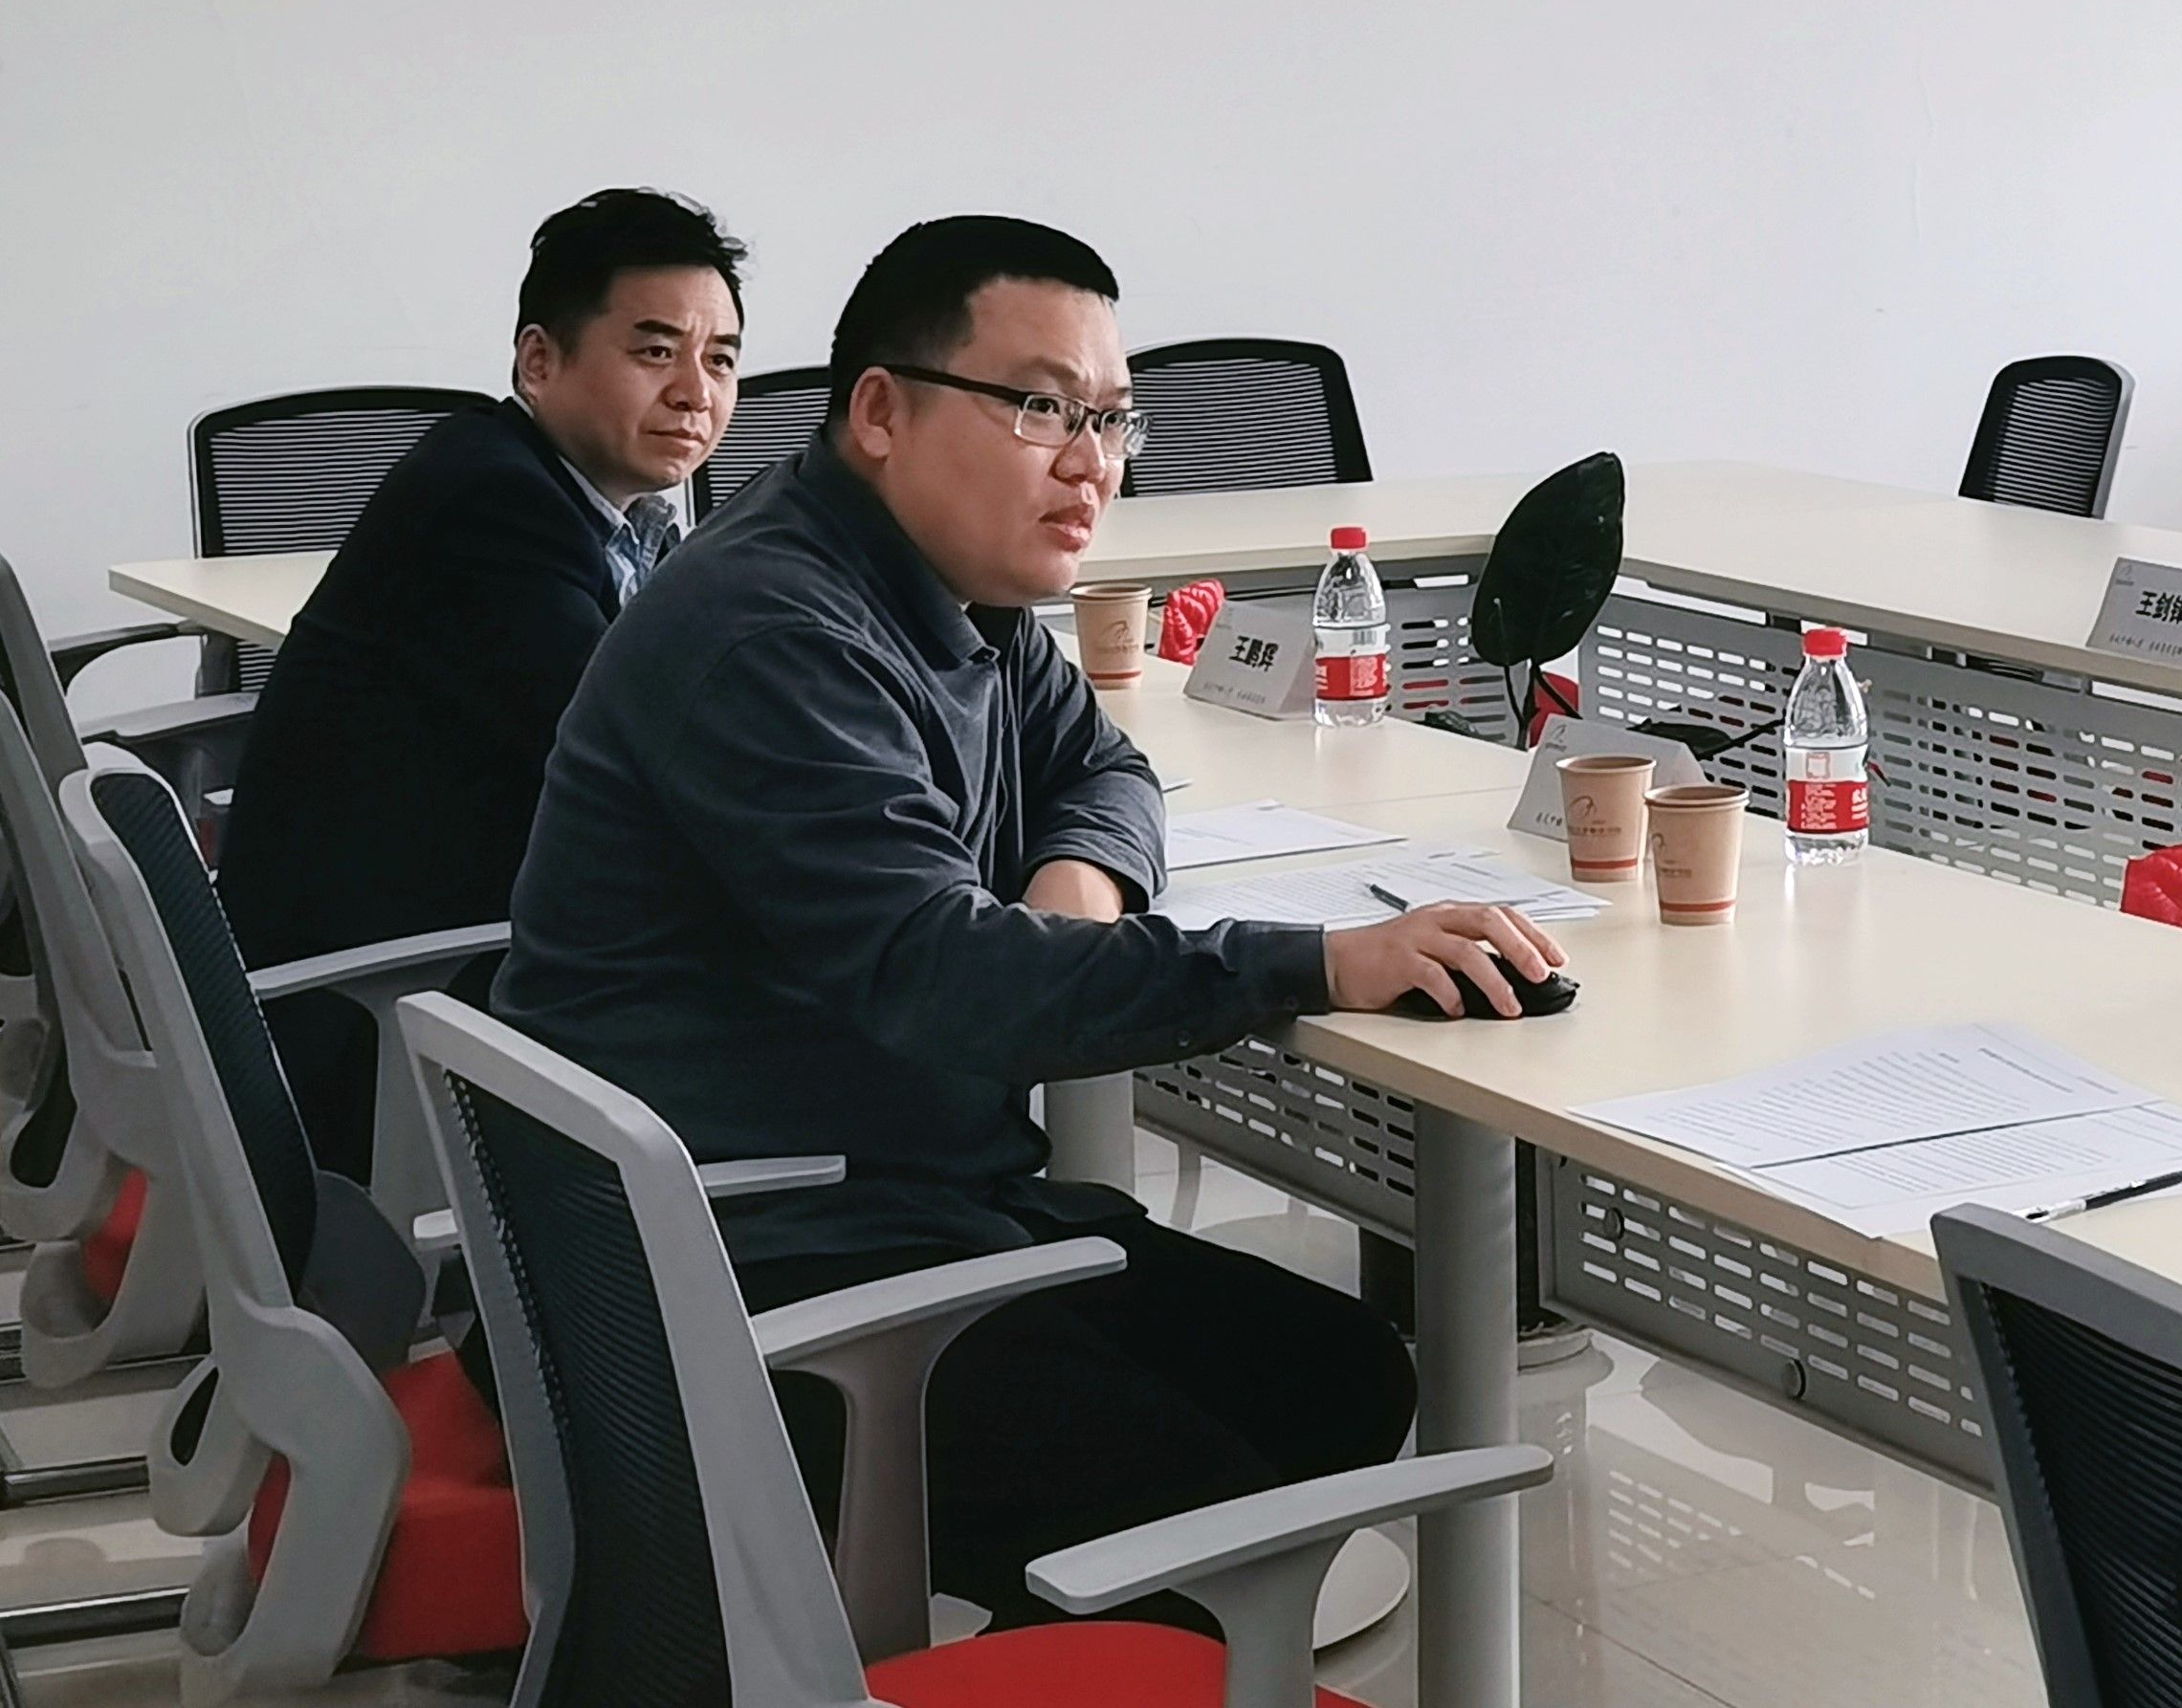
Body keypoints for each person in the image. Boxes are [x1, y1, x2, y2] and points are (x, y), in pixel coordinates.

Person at [494, 214, 1567, 1626]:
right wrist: (1320, 962)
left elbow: (1104, 771)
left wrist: (1077, 891)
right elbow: (952, 985)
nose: (1091, 464)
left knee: (1338, 1375)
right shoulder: (778, 633)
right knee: (1203, 1523)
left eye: (1112, 419)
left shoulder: (951, 582)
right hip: (749, 1281)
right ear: (881, 411)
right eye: (1042, 409)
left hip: (868, 1202)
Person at [215, 186, 749, 1175]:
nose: (694, 392)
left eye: (720, 359)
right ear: (538, 361)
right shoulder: (494, 506)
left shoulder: (598, 514)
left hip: (434, 970)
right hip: (380, 1021)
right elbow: (643, 759)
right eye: (654, 351)